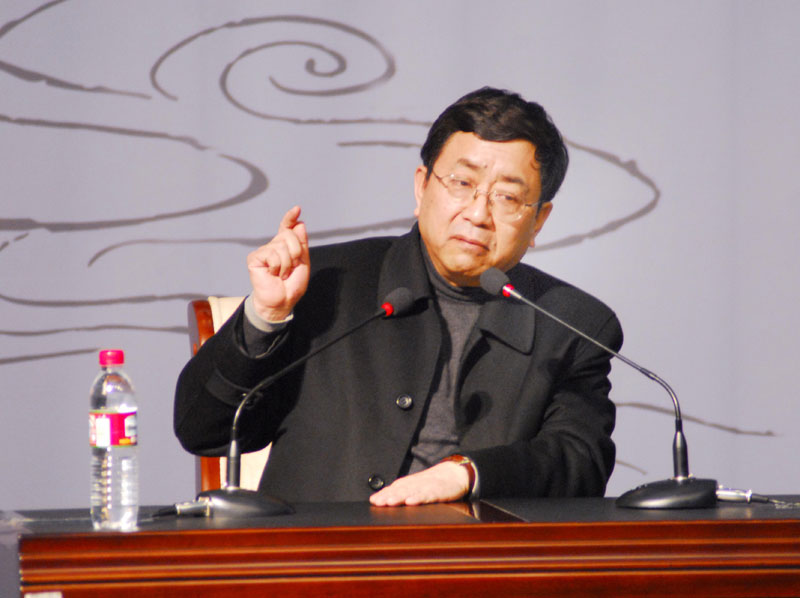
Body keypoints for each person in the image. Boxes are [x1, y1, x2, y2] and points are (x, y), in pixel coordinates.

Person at [174, 87, 622, 506]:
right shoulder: (325, 284)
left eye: (506, 197)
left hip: (473, 556)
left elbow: (580, 462)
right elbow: (204, 431)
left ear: (539, 220)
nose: (477, 214)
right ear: (421, 187)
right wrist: (266, 317)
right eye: (461, 183)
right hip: (317, 554)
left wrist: (469, 474)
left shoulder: (572, 324)